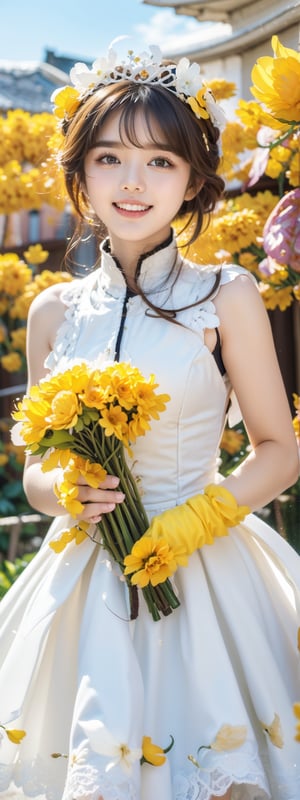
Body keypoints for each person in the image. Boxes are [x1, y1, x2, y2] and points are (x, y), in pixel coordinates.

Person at [0, 42, 299, 800]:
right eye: (109, 158)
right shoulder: (52, 311)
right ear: (79, 174)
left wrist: (197, 520)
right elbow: (34, 465)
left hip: (206, 565)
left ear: (195, 178)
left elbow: (278, 449)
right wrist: (60, 495)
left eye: (160, 162)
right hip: (83, 577)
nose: (133, 183)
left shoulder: (226, 293)